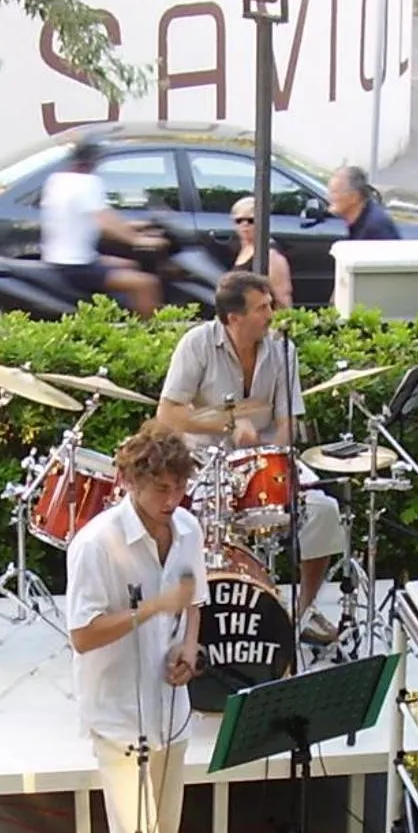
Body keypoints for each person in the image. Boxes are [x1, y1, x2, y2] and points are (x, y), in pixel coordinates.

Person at [66, 422, 207, 833]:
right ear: (128, 481)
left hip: (170, 712)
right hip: (120, 719)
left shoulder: (189, 528)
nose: (171, 499)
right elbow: (81, 634)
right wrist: (150, 610)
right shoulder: (96, 545)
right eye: (160, 488)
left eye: (179, 487)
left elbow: (193, 599)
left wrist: (189, 648)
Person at [157, 271, 348, 645]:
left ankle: (300, 614)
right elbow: (168, 413)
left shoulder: (283, 350)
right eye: (261, 308)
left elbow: (287, 422)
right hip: (205, 464)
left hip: (264, 463)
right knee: (195, 527)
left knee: (324, 511)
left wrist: (271, 457)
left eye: (270, 304)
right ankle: (196, 617)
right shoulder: (197, 344)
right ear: (234, 318)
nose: (271, 314)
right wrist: (227, 425)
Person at [40, 138, 166, 316]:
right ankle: (149, 330)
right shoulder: (87, 183)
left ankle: (119, 315)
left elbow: (84, 219)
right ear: (93, 161)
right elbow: (106, 221)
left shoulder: (58, 180)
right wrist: (139, 240)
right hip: (77, 265)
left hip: (64, 259)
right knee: (147, 284)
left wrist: (141, 225)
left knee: (131, 264)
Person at [228, 194, 293, 308]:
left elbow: (282, 297)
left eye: (251, 220)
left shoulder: (271, 255)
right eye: (239, 221)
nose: (245, 224)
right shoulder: (244, 249)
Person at [327, 164, 402, 241]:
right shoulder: (359, 220)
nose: (328, 197)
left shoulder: (375, 228)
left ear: (354, 197)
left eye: (334, 192)